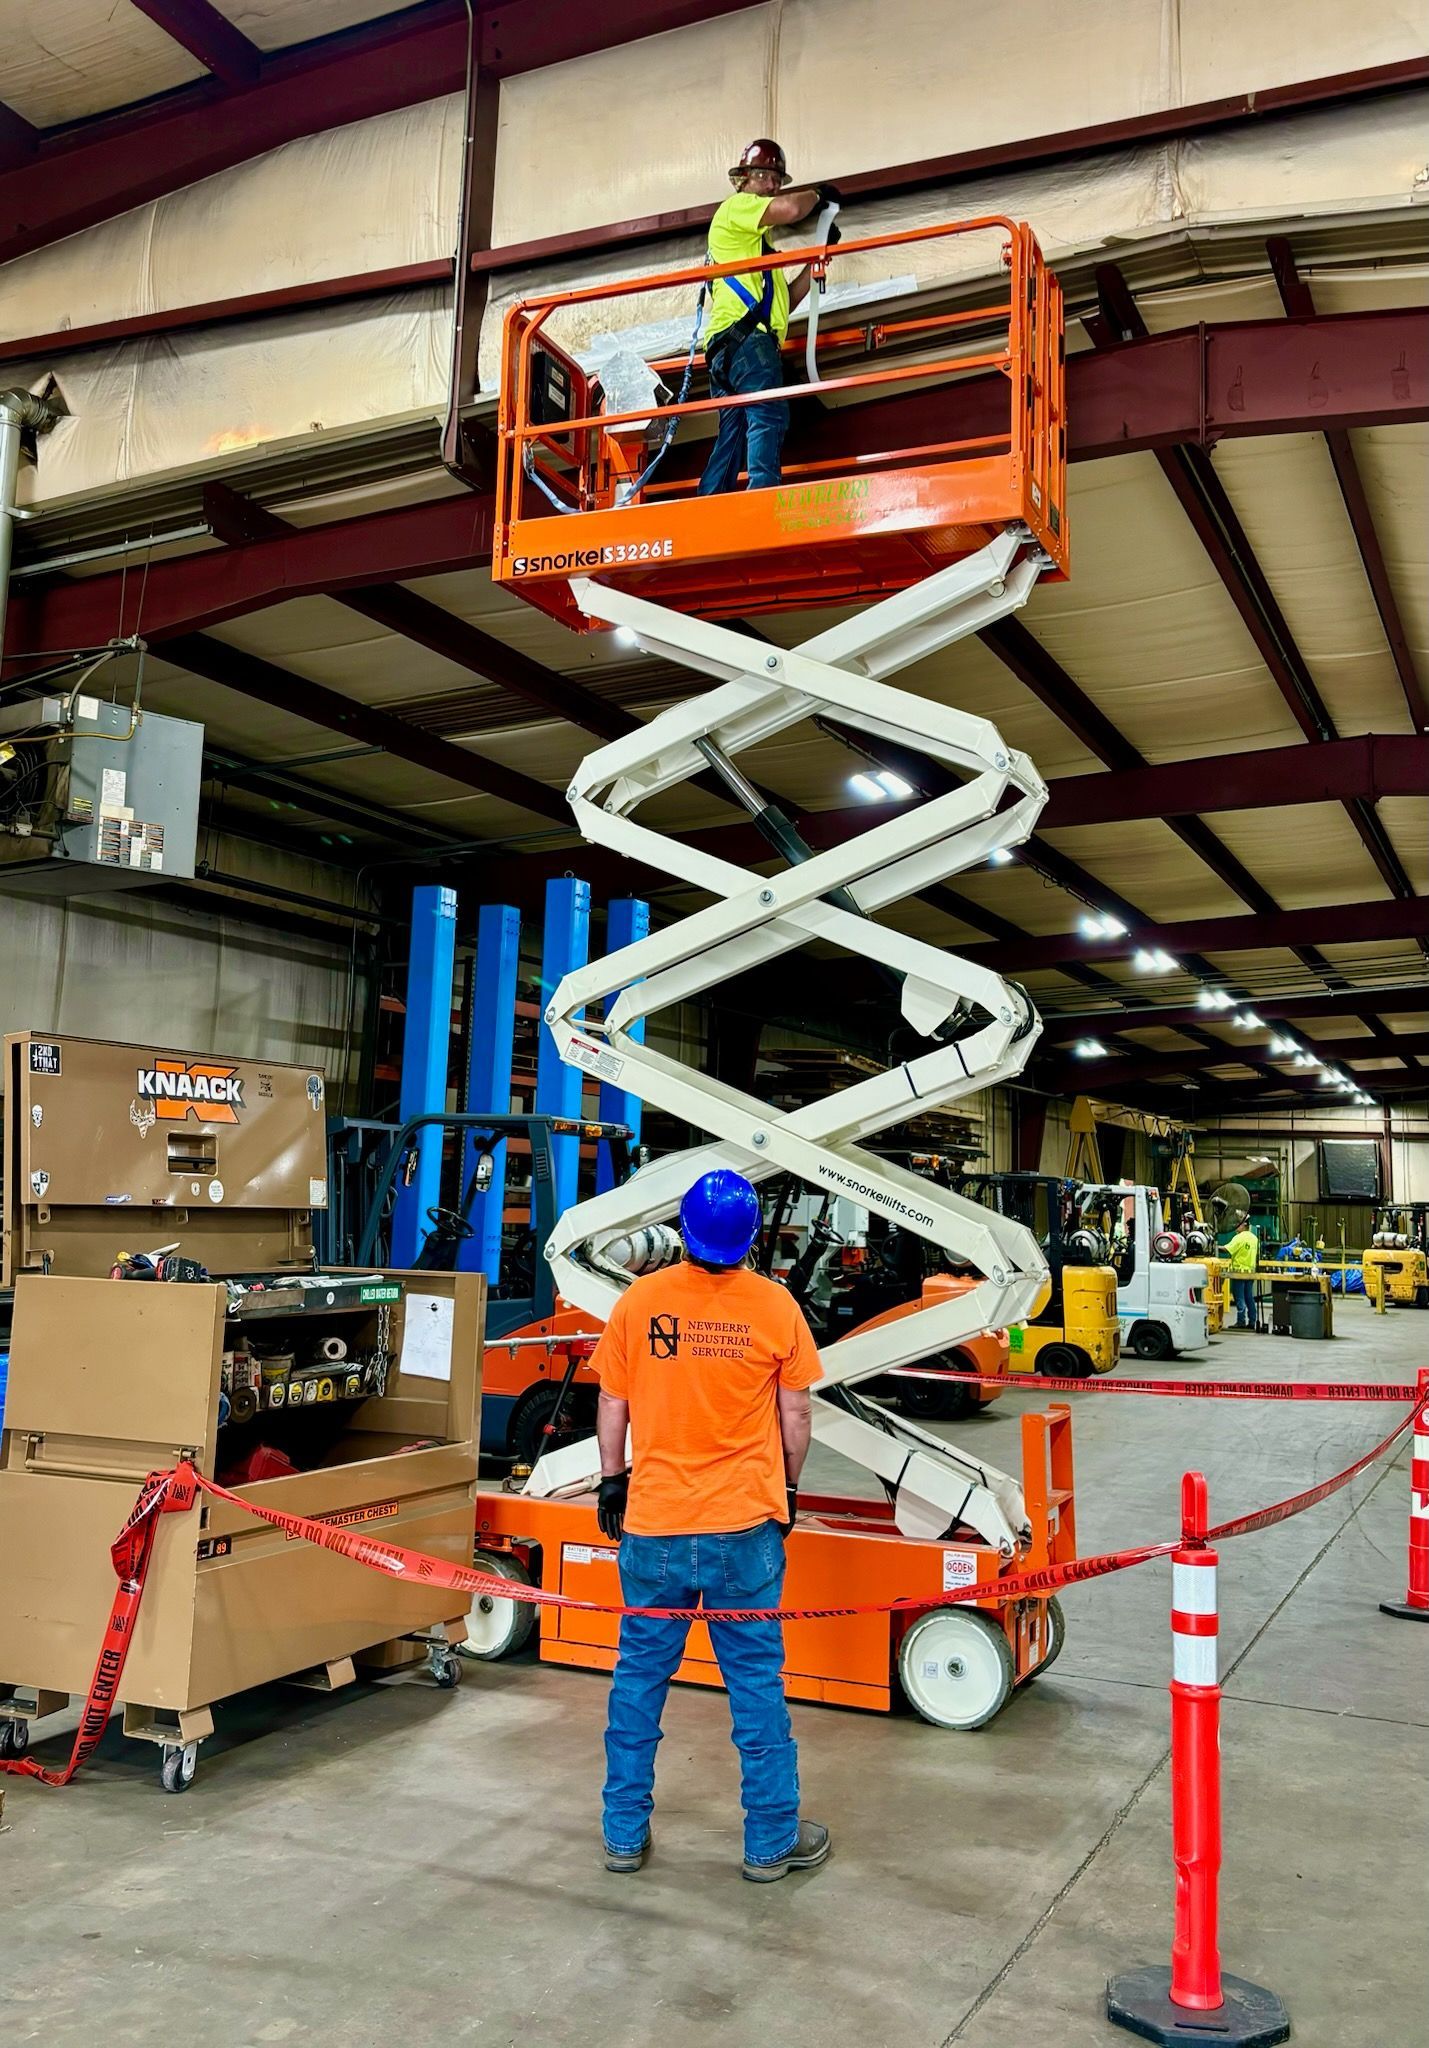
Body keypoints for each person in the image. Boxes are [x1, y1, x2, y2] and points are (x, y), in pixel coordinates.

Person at [592, 1167, 829, 1882]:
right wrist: (785, 1488)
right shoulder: (775, 1305)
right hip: (742, 1528)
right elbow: (796, 1415)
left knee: (638, 1684)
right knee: (755, 1685)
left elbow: (612, 1404)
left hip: (655, 1525)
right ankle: (768, 1844)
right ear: (751, 1236)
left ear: (683, 1230)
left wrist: (611, 1480)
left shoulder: (640, 1301)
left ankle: (623, 1837)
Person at [698, 139, 830, 497]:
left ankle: (710, 504)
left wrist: (818, 258)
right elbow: (789, 209)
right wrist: (818, 194)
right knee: (768, 414)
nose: (771, 185)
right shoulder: (736, 209)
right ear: (743, 180)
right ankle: (763, 498)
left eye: (776, 179)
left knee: (735, 432)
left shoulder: (757, 253)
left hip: (731, 349)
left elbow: (784, 305)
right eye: (762, 176)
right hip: (748, 346)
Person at [1226, 1221, 1259, 1329]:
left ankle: (1241, 1321)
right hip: (1250, 1273)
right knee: (1249, 1297)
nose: (1236, 1227)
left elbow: (1228, 1249)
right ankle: (1252, 1321)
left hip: (1239, 1273)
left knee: (1240, 1298)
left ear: (1244, 1225)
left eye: (1238, 1225)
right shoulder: (1255, 1238)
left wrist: (1215, 1246)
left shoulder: (1239, 1237)